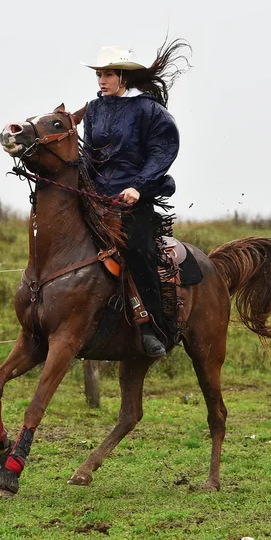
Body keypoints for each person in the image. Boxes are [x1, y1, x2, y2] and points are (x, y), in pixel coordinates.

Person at [81, 40, 190, 357]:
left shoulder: (148, 110)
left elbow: (163, 151)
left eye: (107, 74)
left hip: (133, 199)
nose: (101, 80)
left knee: (139, 253)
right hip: (97, 199)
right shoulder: (94, 109)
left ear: (123, 78)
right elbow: (89, 155)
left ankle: (153, 329)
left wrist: (139, 187)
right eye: (99, 74)